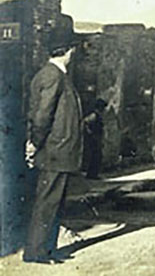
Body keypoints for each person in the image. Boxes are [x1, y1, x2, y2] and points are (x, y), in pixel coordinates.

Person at [23, 34, 84, 265]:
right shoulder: (53, 76)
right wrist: (35, 143)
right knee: (47, 202)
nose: (74, 54)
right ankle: (36, 252)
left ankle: (47, 249)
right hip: (55, 151)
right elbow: (42, 116)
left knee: (54, 201)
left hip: (58, 150)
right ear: (67, 51)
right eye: (73, 50)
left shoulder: (53, 74)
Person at [82, 98, 106, 180]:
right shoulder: (94, 115)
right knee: (95, 156)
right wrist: (89, 132)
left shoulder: (98, 115)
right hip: (94, 138)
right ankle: (91, 175)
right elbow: (85, 122)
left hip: (97, 138)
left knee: (97, 156)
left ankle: (94, 174)